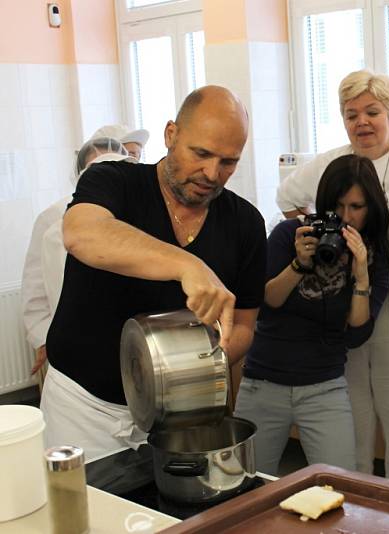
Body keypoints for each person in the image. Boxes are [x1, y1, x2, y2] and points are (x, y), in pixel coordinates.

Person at [40, 86, 267, 461]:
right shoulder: (114, 182)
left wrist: (204, 364)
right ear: (170, 135)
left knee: (172, 517)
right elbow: (81, 233)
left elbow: (243, 325)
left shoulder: (245, 224)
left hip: (181, 415)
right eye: (201, 153)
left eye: (228, 162)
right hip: (84, 410)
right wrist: (187, 265)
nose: (212, 173)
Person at [276, 70, 389, 480]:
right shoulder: (331, 163)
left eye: (372, 112)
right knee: (354, 406)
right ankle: (360, 491)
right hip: (347, 301)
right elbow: (286, 198)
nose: (362, 122)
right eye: (352, 114)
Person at [236, 154, 389, 475]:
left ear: (371, 207)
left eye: (356, 207)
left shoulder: (375, 255)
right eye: (337, 206)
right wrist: (299, 264)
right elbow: (264, 304)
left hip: (325, 387)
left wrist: (361, 276)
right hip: (263, 383)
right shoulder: (290, 234)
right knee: (248, 486)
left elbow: (357, 334)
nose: (346, 217)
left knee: (339, 488)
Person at [21, 137, 134, 376]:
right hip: (73, 344)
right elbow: (35, 290)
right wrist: (45, 340)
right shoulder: (53, 219)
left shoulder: (136, 212)